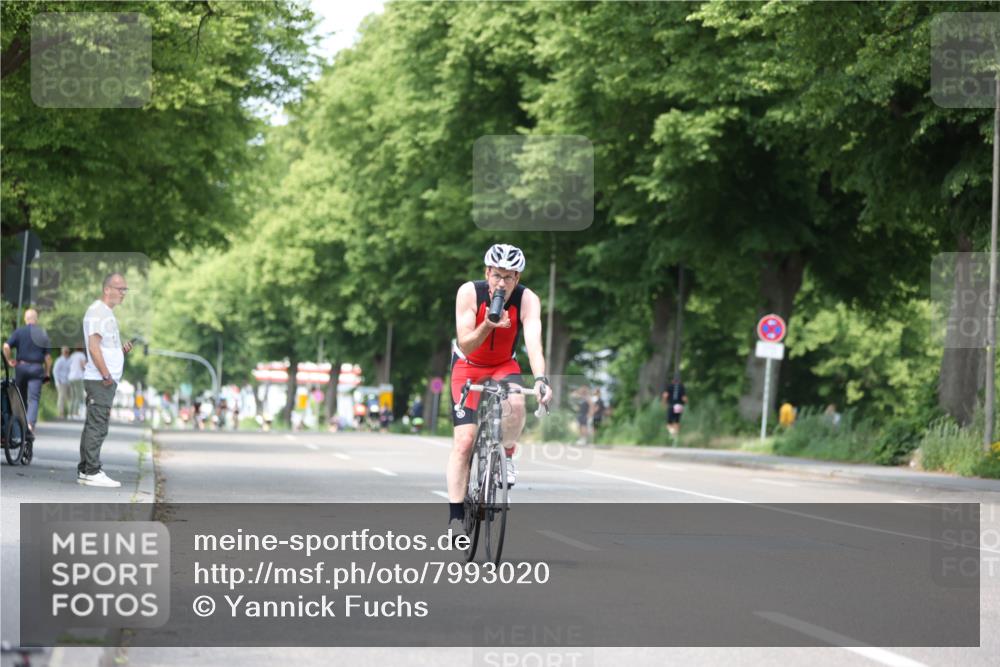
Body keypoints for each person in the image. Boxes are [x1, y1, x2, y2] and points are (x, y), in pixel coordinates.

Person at [447, 243, 551, 538]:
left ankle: (506, 453)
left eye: (509, 277)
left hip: (504, 365)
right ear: (487, 272)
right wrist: (489, 325)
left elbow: (533, 341)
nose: (501, 284)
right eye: (496, 276)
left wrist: (541, 378)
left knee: (516, 405)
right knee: (465, 442)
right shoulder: (469, 293)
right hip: (468, 365)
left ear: (518, 278)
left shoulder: (528, 299)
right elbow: (466, 342)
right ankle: (456, 516)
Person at [78, 273, 134, 487]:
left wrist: (121, 352)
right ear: (107, 289)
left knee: (93, 424)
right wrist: (106, 375)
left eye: (125, 289)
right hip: (100, 380)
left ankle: (85, 470)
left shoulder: (106, 314)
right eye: (120, 288)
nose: (123, 293)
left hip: (103, 378)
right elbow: (93, 347)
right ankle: (92, 471)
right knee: (98, 425)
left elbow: (104, 347)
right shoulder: (97, 312)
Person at [3, 308, 53, 436]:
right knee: (34, 399)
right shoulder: (42, 334)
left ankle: (19, 425)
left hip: (21, 368)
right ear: (36, 320)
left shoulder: (19, 332)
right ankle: (30, 425)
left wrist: (8, 360)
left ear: (25, 319)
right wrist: (47, 373)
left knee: (20, 397)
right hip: (36, 369)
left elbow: (6, 346)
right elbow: (47, 358)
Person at [662, 373, 687, 442]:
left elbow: (665, 396)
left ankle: (672, 433)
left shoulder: (669, 386)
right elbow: (684, 398)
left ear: (673, 380)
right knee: (677, 421)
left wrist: (664, 403)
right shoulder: (682, 387)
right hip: (679, 406)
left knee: (669, 423)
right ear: (679, 380)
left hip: (671, 405)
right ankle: (676, 436)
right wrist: (684, 404)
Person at [52, 346, 73, 419]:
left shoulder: (70, 360)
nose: (66, 353)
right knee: (61, 398)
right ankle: (61, 413)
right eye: (65, 351)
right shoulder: (59, 360)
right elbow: (55, 371)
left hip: (69, 381)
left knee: (70, 398)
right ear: (62, 352)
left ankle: (70, 413)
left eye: (67, 351)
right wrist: (57, 382)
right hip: (61, 382)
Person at [67, 346, 87, 419]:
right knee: (78, 396)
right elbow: (83, 366)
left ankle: (70, 414)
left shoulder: (72, 355)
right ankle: (75, 414)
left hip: (71, 377)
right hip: (78, 377)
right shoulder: (81, 355)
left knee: (73, 397)